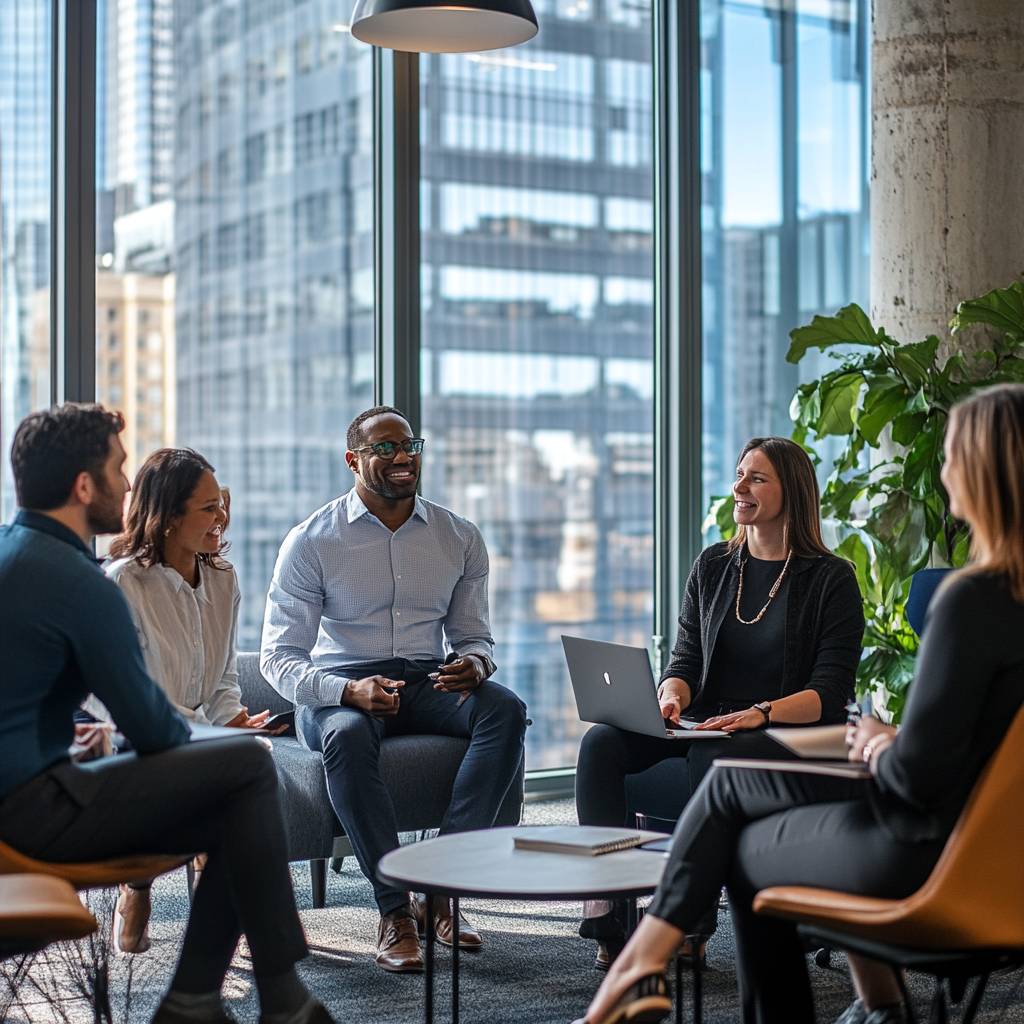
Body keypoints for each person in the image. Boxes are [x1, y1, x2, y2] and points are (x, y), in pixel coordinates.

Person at [571, 383, 1024, 1024]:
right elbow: (972, 749)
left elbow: (914, 776)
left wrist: (882, 743)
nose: (944, 470)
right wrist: (676, 692)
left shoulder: (969, 599)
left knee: (743, 824)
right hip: (998, 851)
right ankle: (640, 952)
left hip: (931, 847)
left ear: (985, 473)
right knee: (695, 779)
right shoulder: (715, 566)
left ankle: (646, 964)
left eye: (952, 456)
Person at [0, 404, 332, 1024]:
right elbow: (152, 729)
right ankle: (261, 992)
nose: (127, 486)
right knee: (247, 773)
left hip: (27, 785)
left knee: (235, 793)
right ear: (83, 486)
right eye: (118, 468)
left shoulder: (9, 554)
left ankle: (217, 999)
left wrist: (78, 735)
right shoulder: (84, 582)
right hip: (32, 813)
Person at [575, 436, 863, 967]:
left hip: (781, 732)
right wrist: (670, 698)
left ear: (791, 492)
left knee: (715, 755)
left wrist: (758, 713)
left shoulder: (831, 579)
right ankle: (612, 915)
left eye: (757, 478)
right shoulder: (713, 566)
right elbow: (684, 660)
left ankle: (689, 921)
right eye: (739, 474)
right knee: (602, 744)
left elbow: (829, 693)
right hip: (706, 722)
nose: (739, 487)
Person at [261, 405, 528, 973]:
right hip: (339, 687)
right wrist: (346, 692)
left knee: (505, 709)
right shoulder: (311, 541)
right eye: (385, 449)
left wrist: (476, 664)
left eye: (410, 445)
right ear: (353, 460)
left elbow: (474, 636)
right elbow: (277, 660)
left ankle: (441, 890)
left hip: (425, 678)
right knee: (349, 736)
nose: (403, 457)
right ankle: (394, 911)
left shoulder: (459, 536)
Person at [100, 448, 284, 954]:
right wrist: (215, 735)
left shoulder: (224, 580)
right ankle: (141, 885)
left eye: (221, 503)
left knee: (246, 761)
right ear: (167, 516)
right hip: (138, 739)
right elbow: (136, 697)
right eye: (208, 508)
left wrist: (235, 719)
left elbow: (224, 675)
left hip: (202, 736)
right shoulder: (124, 584)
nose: (222, 517)